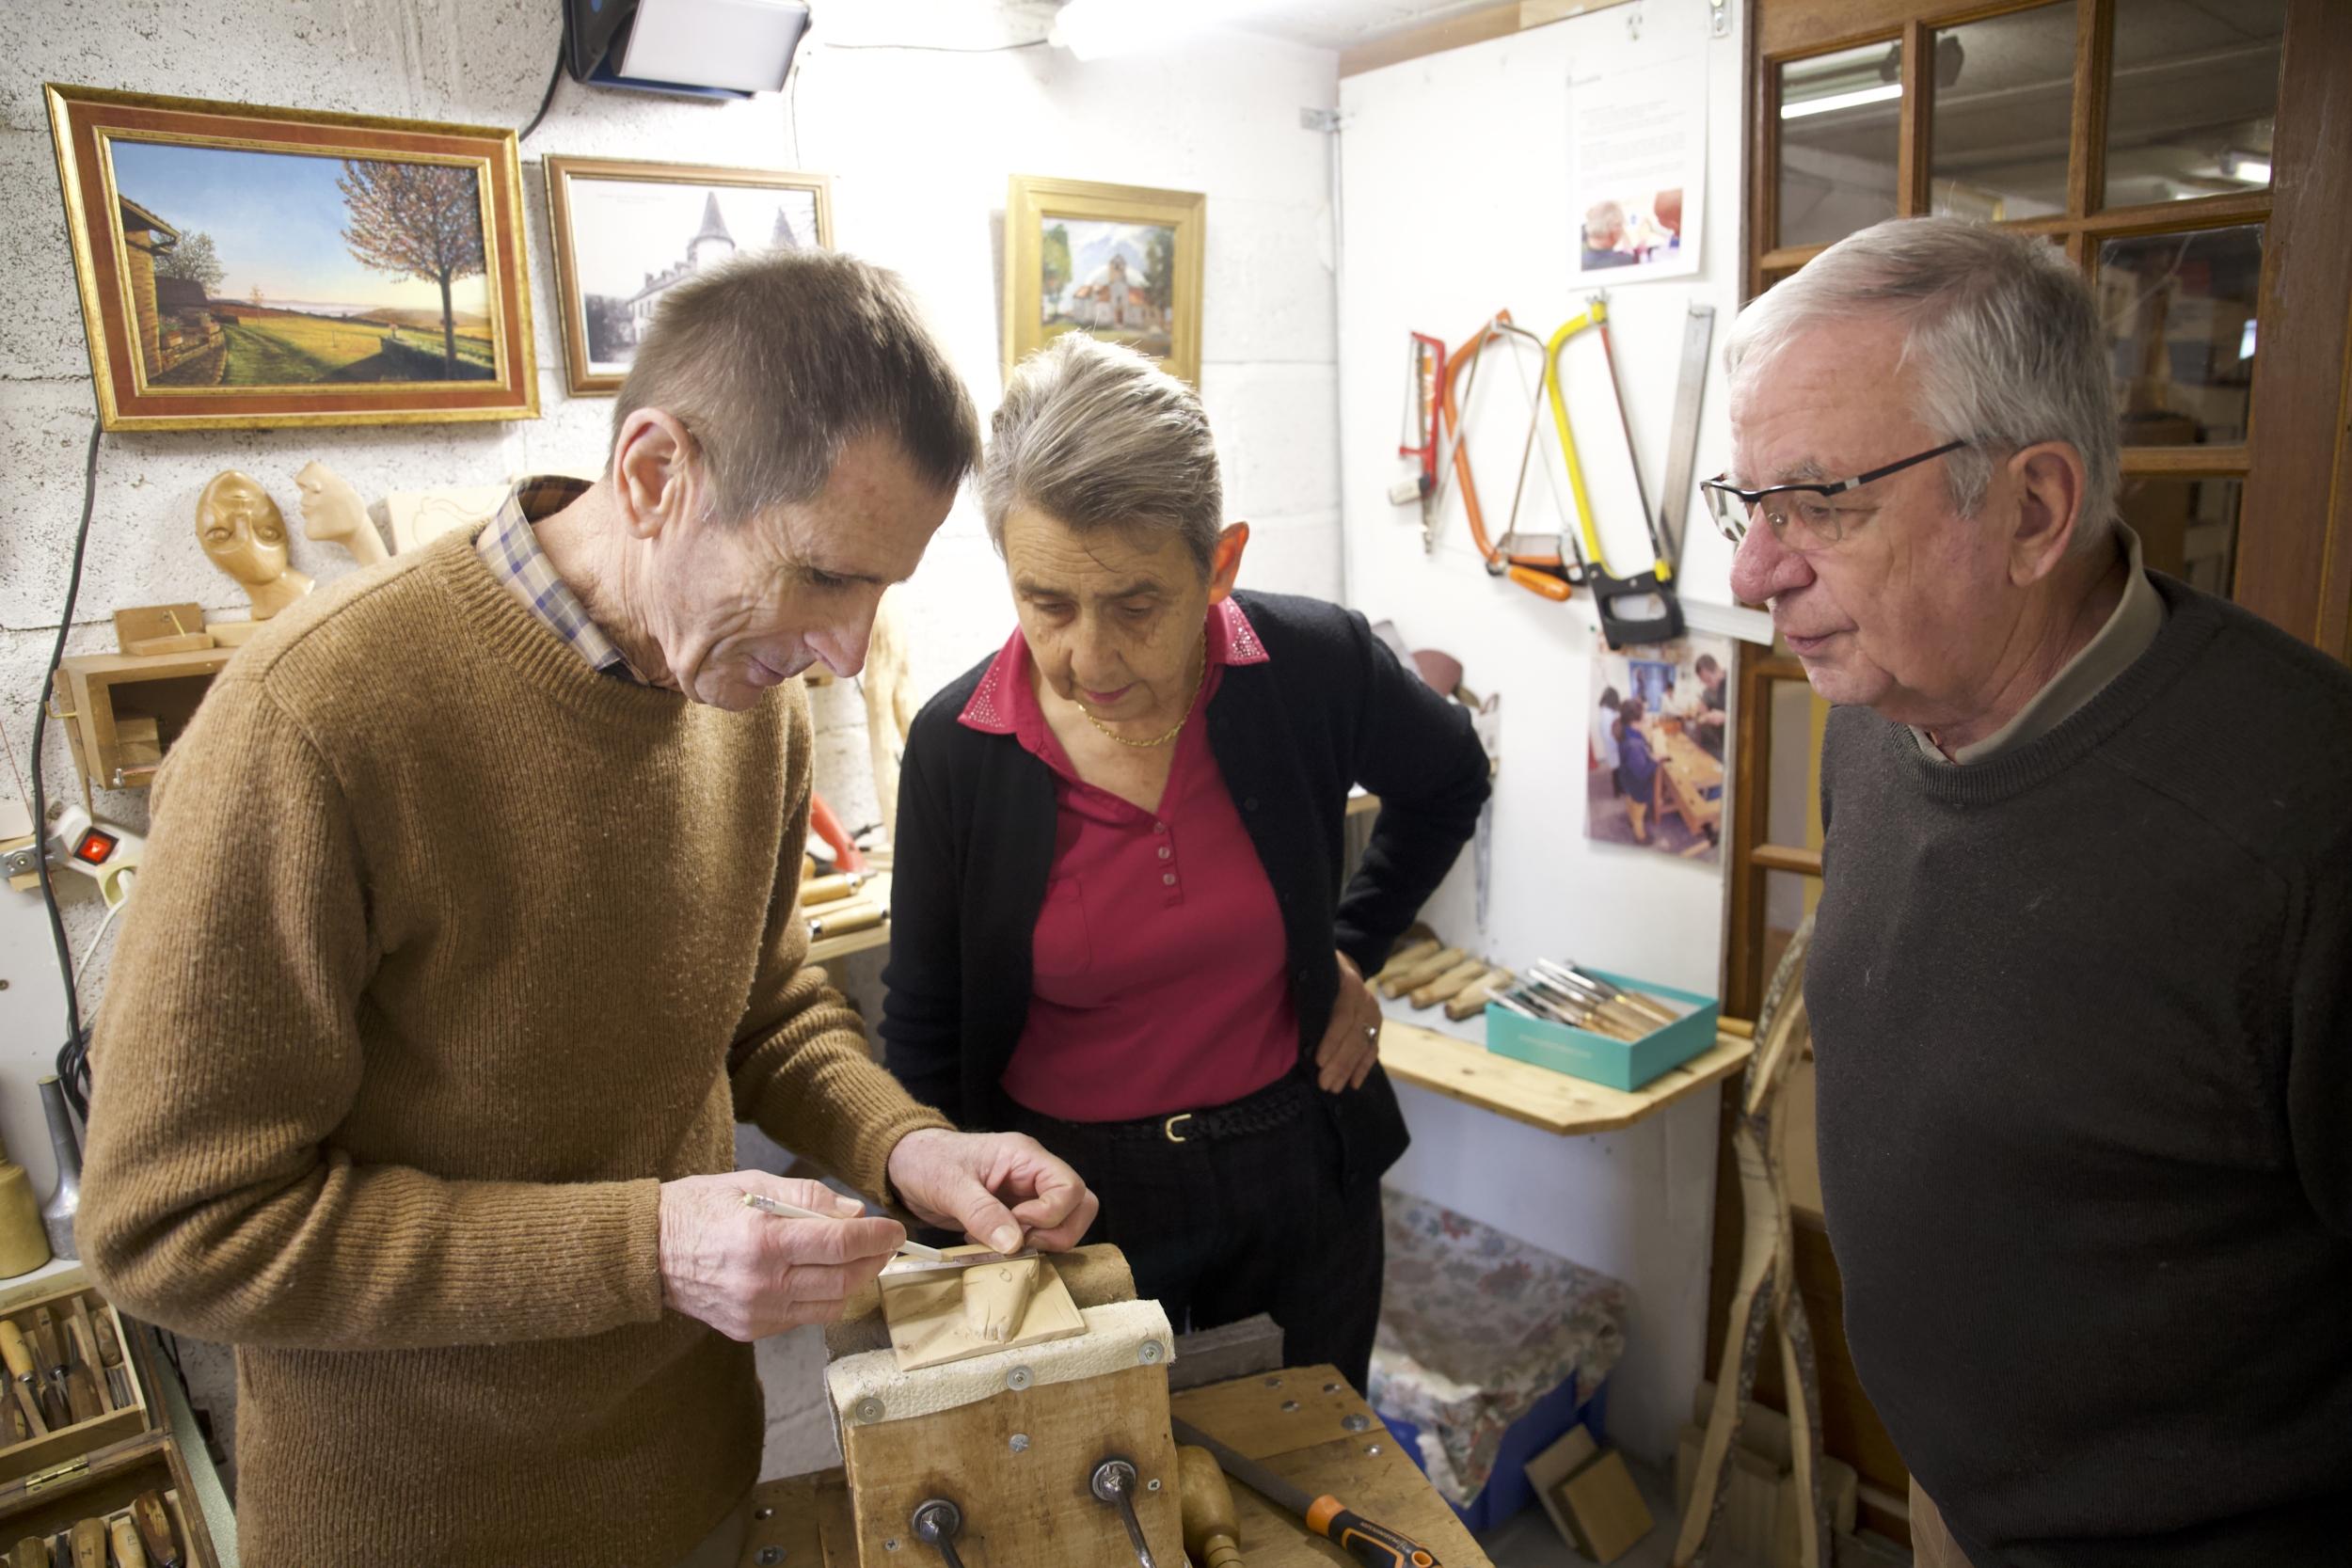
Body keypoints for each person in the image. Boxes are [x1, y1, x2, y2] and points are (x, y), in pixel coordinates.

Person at [77, 251, 1099, 1568]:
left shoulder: (747, 701)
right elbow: (170, 1224)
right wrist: (649, 1242)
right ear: (655, 475)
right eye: (823, 577)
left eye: (881, 590)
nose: (849, 652)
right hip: (417, 1529)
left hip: (690, 1488)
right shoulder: (319, 716)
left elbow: (764, 1002)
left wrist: (906, 1144)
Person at [1715, 216, 2352, 1566]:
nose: (1754, 572)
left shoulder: (2309, 835)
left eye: (1819, 502)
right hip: (1951, 1498)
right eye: (1749, 503)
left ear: (2034, 509)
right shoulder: (1879, 713)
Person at [881, 334, 1490, 1391]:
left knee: (1310, 1483)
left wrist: (1348, 951)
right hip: (1070, 1201)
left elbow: (1449, 778)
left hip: (1298, 1170)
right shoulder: (960, 744)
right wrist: (957, 1237)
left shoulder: (1309, 666)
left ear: (1221, 562)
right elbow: (923, 1035)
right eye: (1046, 603)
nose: (1088, 658)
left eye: (1136, 603)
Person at [1613, 696, 1658, 844]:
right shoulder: (1634, 746)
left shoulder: (1627, 732)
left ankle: (1632, 820)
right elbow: (1642, 773)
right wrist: (1654, 761)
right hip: (1637, 785)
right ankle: (1640, 837)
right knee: (1639, 812)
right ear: (1634, 722)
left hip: (1627, 781)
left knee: (1630, 803)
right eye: (1644, 719)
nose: (1645, 721)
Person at [1691, 651, 1727, 758]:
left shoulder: (1734, 683)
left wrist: (1726, 718)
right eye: (1704, 681)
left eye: (1709, 680)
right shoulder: (1708, 691)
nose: (1708, 685)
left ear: (1717, 668)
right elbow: (1699, 717)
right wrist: (1702, 714)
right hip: (1717, 744)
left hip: (1734, 746)